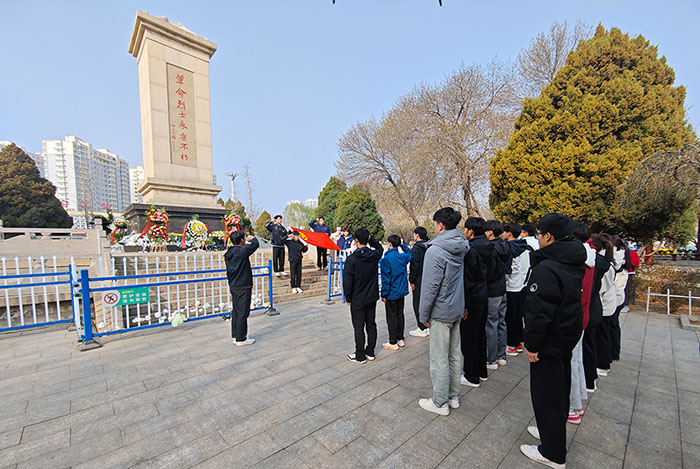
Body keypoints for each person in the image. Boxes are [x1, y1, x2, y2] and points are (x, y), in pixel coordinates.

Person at [520, 213, 586, 468]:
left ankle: (552, 452)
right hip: (565, 334)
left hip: (549, 340)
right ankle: (549, 431)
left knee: (547, 394)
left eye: (539, 234)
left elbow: (539, 312)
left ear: (549, 236)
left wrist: (533, 344)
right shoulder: (571, 259)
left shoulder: (547, 267)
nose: (537, 238)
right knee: (558, 389)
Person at [418, 207, 469, 416]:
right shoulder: (461, 246)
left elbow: (430, 287)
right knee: (454, 354)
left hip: (440, 311)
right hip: (456, 307)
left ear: (440, 225)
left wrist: (423, 315)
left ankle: (440, 402)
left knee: (439, 358)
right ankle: (453, 396)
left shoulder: (435, 251)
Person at [567, 222, 595, 425]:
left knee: (569, 363)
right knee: (576, 360)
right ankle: (578, 401)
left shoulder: (577, 259)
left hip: (573, 316)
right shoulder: (590, 256)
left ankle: (571, 407)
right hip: (582, 314)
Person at [343, 228, 384, 364]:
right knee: (371, 324)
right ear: (367, 239)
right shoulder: (374, 255)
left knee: (359, 327)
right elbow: (379, 248)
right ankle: (370, 351)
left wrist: (348, 297)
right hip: (371, 296)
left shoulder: (351, 259)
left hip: (357, 298)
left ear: (355, 240)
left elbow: (347, 281)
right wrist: (370, 240)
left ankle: (360, 355)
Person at [583, 234, 614, 392]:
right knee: (593, 342)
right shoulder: (607, 264)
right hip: (597, 305)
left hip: (590, 305)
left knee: (588, 344)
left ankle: (589, 379)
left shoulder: (591, 263)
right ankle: (591, 377)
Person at [460, 217, 488, 387]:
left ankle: (471, 375)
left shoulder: (470, 251)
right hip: (485, 296)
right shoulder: (490, 246)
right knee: (481, 335)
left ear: (470, 231)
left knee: (469, 338)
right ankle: (481, 371)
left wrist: (464, 304)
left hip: (472, 300)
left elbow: (467, 280)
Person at [484, 220, 512, 369]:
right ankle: (501, 355)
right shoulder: (505, 246)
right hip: (502, 289)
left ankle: (491, 359)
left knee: (491, 324)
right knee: (501, 322)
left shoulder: (491, 249)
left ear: (490, 232)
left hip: (492, 291)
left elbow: (489, 272)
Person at [224, 231, 260, 346]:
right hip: (243, 285)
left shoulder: (229, 252)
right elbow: (255, 244)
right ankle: (241, 338)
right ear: (241, 240)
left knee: (236, 311)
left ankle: (236, 335)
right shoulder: (241, 252)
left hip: (234, 285)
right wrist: (252, 238)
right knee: (243, 312)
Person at [380, 235, 413, 350]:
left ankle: (393, 341)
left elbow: (386, 279)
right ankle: (400, 338)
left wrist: (384, 294)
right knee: (400, 315)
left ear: (389, 244)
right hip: (401, 291)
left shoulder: (386, 259)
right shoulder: (402, 257)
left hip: (391, 292)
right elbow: (410, 253)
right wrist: (403, 245)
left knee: (391, 317)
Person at [502, 223, 529, 357]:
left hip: (511, 286)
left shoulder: (509, 248)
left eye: (504, 231)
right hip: (520, 285)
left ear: (509, 233)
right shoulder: (521, 246)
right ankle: (518, 343)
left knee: (510, 317)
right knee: (517, 316)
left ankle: (512, 345)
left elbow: (508, 269)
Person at [610, 236, 632, 362]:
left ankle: (613, 352)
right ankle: (614, 351)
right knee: (614, 326)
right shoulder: (623, 264)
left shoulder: (619, 267)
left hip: (615, 299)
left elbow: (614, 285)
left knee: (612, 327)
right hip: (618, 299)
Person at [408, 227, 430, 338]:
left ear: (417, 235)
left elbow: (414, 266)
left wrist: (411, 280)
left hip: (419, 280)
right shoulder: (429, 246)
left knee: (417, 303)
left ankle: (422, 327)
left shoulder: (417, 248)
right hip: (429, 279)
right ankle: (428, 326)